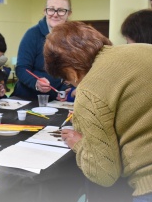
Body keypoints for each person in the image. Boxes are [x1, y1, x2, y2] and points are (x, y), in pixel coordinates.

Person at [43, 21, 152, 202]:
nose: (70, 84)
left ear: (70, 70)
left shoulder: (90, 90)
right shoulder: (143, 49)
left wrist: (78, 144)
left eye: (66, 79)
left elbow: (104, 174)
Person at [12, 0, 72, 101]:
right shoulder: (32, 34)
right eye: (51, 9)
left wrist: (65, 89)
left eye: (61, 10)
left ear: (69, 13)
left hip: (56, 100)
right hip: (27, 98)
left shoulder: (72, 38)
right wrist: (36, 83)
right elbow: (21, 68)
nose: (55, 14)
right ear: (45, 11)